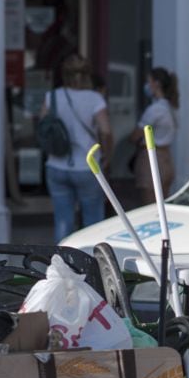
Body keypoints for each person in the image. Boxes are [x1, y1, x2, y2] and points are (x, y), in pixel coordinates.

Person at [40, 54, 112, 242]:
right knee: (93, 221)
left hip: (56, 165)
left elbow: (42, 127)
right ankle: (92, 262)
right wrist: (107, 156)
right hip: (87, 167)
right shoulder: (95, 99)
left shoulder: (52, 96)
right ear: (88, 74)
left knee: (63, 222)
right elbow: (106, 131)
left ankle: (62, 264)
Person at [129, 67, 179, 205]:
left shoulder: (155, 109)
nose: (146, 85)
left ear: (156, 84)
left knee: (150, 207)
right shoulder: (171, 107)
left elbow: (135, 135)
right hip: (166, 158)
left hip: (152, 158)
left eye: (148, 81)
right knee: (162, 205)